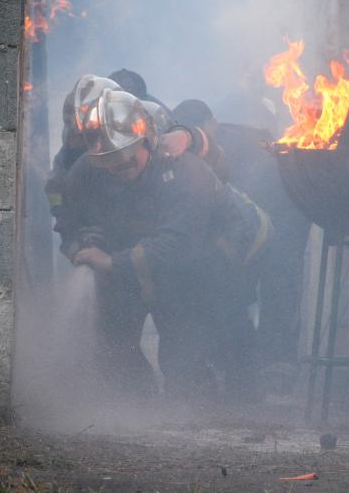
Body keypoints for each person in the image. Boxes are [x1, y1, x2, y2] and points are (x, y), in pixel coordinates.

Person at [59, 83, 263, 401]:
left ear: (148, 142)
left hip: (207, 254)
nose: (120, 170)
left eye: (128, 161)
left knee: (192, 346)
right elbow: (70, 223)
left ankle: (225, 406)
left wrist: (112, 262)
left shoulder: (183, 172)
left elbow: (177, 248)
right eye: (111, 164)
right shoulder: (87, 170)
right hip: (143, 256)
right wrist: (84, 247)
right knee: (114, 346)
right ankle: (141, 413)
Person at [173, 99, 310, 379]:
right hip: (244, 218)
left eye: (199, 129)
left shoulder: (241, 140)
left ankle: (277, 360)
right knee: (230, 285)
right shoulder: (190, 148)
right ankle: (238, 361)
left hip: (283, 211)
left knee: (279, 279)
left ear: (210, 122)